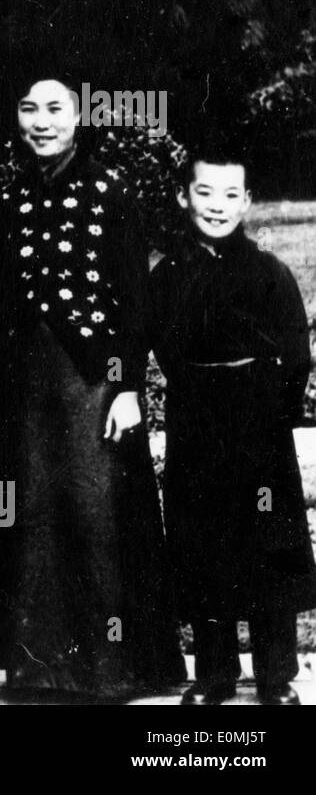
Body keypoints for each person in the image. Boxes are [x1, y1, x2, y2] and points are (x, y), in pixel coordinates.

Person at [0, 76, 184, 700]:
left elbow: (136, 300)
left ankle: (111, 671)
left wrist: (129, 386)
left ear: (78, 117)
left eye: (55, 109)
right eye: (30, 110)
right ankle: (42, 669)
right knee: (37, 516)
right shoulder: (14, 191)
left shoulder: (109, 190)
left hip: (93, 379)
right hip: (27, 377)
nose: (42, 121)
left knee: (98, 516)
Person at [150, 148, 315, 706]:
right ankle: (213, 675)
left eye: (230, 195)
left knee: (267, 551)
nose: (217, 206)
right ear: (182, 196)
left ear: (247, 202)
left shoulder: (270, 273)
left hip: (259, 433)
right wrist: (200, 395)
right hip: (197, 428)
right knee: (201, 550)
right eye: (204, 192)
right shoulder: (167, 274)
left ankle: (276, 676)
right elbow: (163, 348)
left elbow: (296, 357)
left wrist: (270, 416)